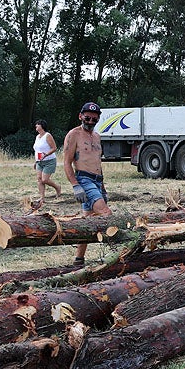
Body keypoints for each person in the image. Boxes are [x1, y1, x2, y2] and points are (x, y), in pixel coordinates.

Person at [63, 102, 112, 267]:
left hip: (97, 180)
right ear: (80, 116)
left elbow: (98, 163)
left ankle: (78, 260)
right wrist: (76, 185)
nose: (90, 121)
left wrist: (103, 187)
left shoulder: (97, 136)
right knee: (106, 213)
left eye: (94, 119)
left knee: (88, 220)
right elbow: (66, 163)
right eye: (87, 118)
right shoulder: (73, 135)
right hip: (84, 180)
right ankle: (119, 252)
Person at [33, 119, 61, 206]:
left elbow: (54, 147)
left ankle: (57, 187)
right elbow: (37, 150)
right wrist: (35, 161)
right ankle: (42, 197)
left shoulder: (47, 135)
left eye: (37, 125)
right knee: (39, 179)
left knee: (45, 179)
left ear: (42, 126)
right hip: (39, 161)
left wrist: (46, 154)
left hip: (49, 161)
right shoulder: (37, 137)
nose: (36, 126)